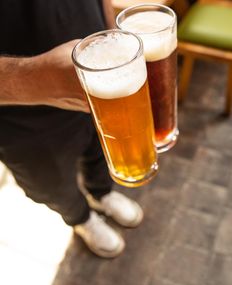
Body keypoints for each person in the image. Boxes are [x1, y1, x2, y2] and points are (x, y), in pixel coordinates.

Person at [0, 0, 144, 258]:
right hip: (19, 120)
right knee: (52, 185)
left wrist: (113, 33)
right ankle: (81, 218)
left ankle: (102, 193)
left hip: (100, 76)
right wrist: (33, 79)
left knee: (102, 151)